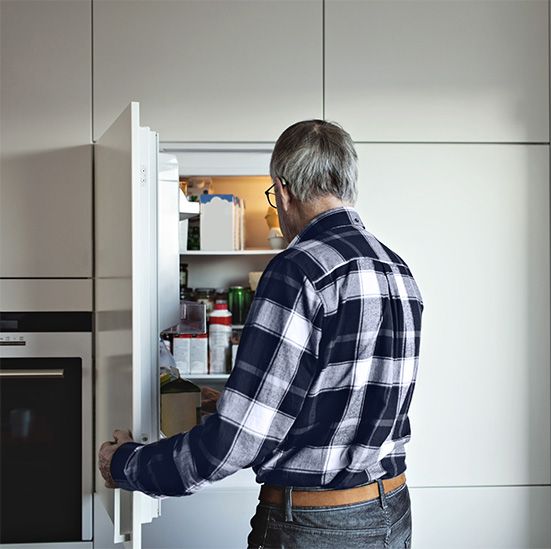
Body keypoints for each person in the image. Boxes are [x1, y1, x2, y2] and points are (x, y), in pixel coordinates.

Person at [98, 120, 424, 549]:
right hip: (391, 510)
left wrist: (128, 464)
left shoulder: (298, 270)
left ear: (284, 190)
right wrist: (230, 404)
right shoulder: (396, 269)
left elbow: (237, 443)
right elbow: (346, 402)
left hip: (314, 524)